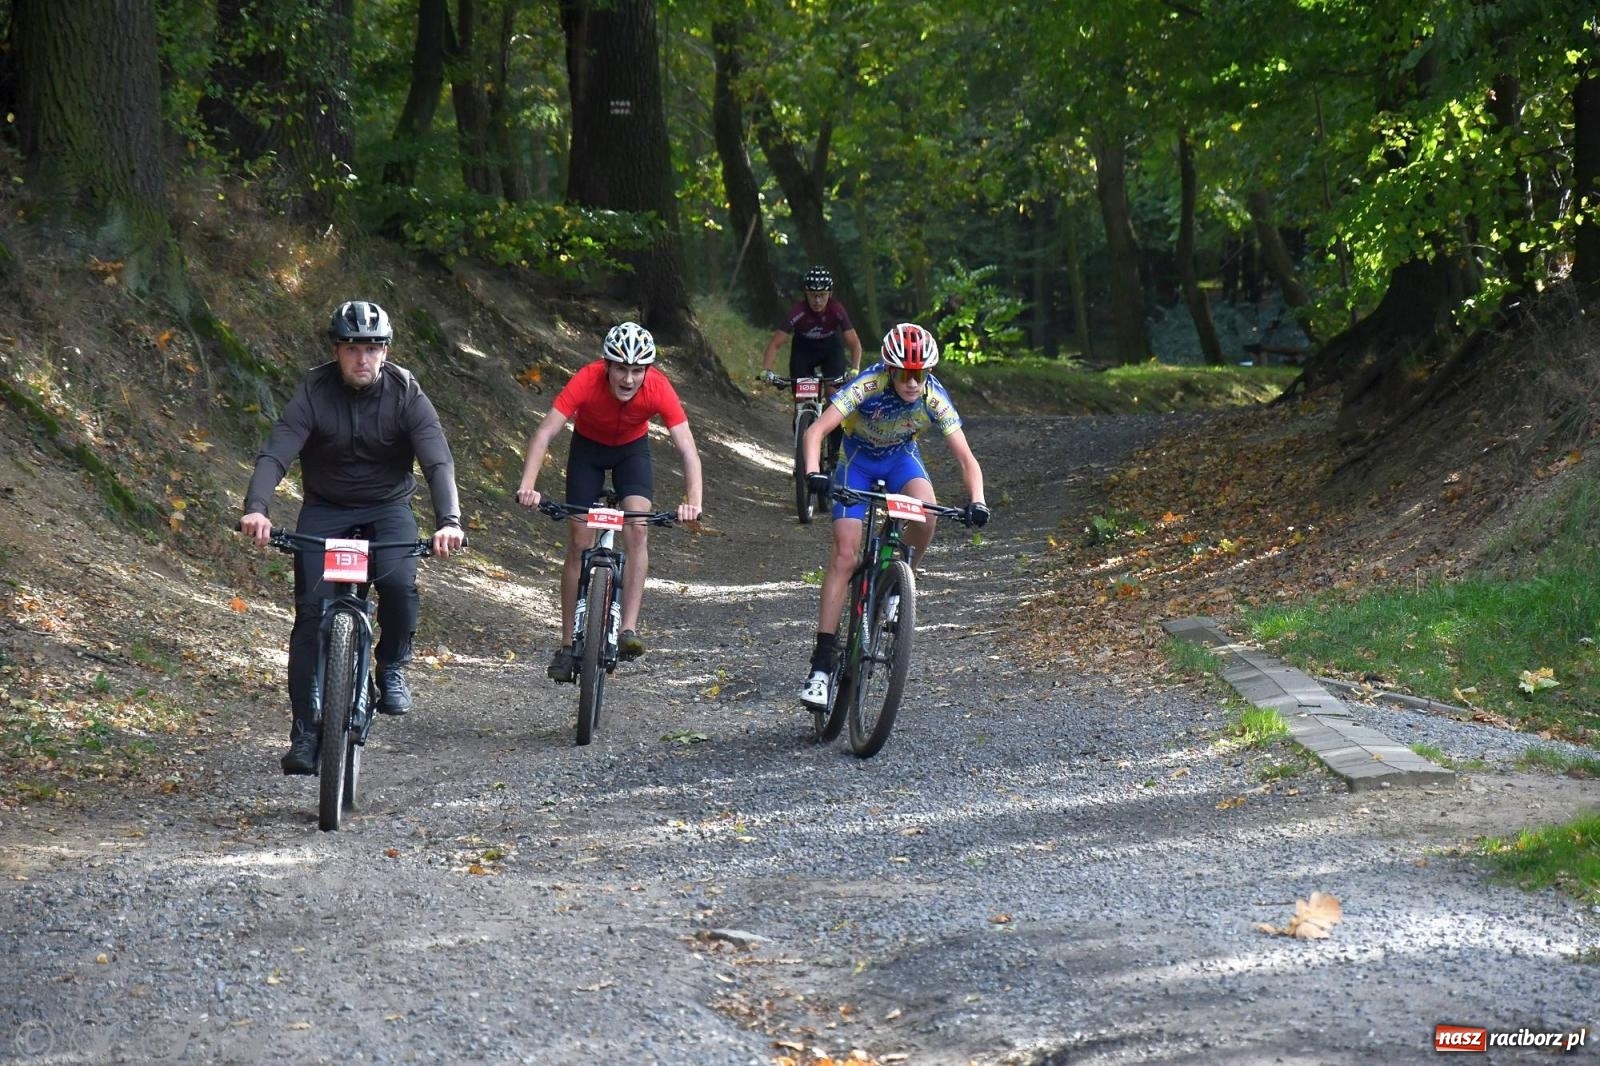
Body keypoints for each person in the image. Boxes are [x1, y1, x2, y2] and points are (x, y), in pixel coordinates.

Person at [240, 300, 466, 776]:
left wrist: (449, 520)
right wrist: (256, 509)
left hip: (388, 509)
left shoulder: (406, 393)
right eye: (352, 348)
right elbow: (276, 453)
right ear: (336, 351)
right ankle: (305, 733)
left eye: (373, 348)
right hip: (325, 510)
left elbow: (437, 460)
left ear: (385, 351)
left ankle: (391, 665)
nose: (363, 358)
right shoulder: (313, 391)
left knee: (402, 586)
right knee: (308, 618)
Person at [795, 323, 990, 708]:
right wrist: (815, 474)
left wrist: (978, 500)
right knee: (845, 555)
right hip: (857, 462)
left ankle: (898, 580)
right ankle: (821, 666)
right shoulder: (868, 385)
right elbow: (816, 431)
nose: (912, 383)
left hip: (900, 460)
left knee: (926, 514)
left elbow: (966, 458)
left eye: (920, 375)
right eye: (904, 374)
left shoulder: (934, 397)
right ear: (890, 369)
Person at [515, 321, 704, 681]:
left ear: (647, 371)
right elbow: (545, 433)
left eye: (637, 370)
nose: (628, 379)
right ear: (607, 366)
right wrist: (528, 486)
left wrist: (693, 501)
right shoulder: (586, 379)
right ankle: (569, 644)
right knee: (579, 540)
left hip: (632, 453)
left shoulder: (659, 388)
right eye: (621, 368)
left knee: (637, 526)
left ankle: (628, 629)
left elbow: (687, 449)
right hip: (587, 451)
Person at [760, 266, 863, 384]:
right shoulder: (798, 311)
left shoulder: (836, 309)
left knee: (833, 392)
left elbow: (855, 343)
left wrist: (855, 369)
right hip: (803, 349)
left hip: (831, 348)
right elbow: (775, 344)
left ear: (830, 294)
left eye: (822, 294)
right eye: (813, 294)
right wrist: (766, 370)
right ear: (806, 294)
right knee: (802, 394)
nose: (817, 300)